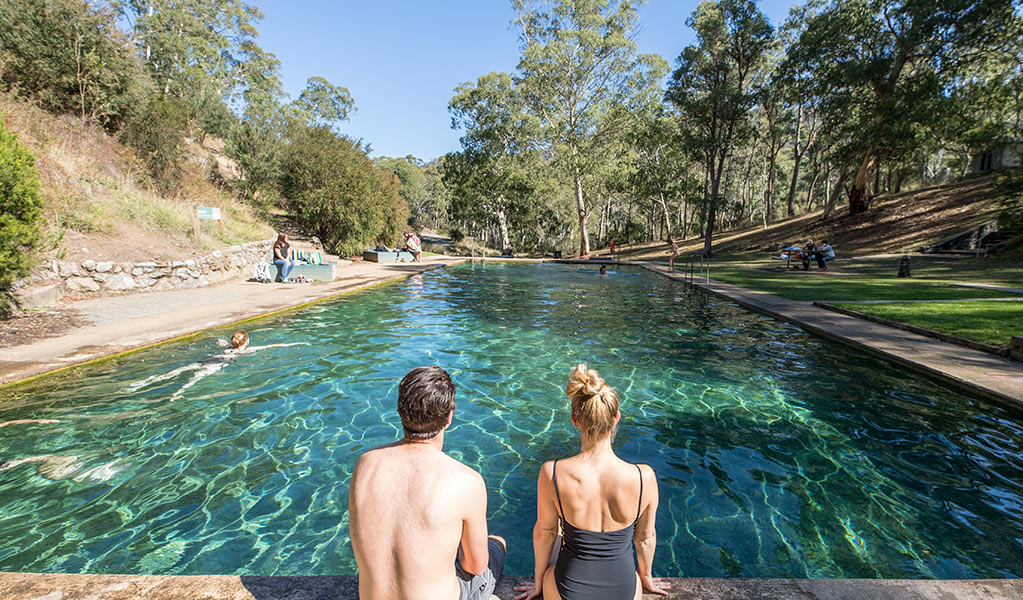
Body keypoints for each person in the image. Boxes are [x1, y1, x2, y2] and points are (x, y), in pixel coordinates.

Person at [514, 364, 670, 600]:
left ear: (575, 420)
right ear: (616, 418)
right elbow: (645, 537)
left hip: (567, 591)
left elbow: (544, 534)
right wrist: (646, 576)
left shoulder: (552, 473)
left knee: (555, 530)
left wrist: (538, 581)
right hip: (624, 592)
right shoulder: (643, 477)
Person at [349, 366, 505, 600]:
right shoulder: (466, 480)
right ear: (449, 418)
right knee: (497, 544)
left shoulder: (365, 465)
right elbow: (475, 566)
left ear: (401, 411)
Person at [127, 331, 307, 399]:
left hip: (208, 358)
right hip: (217, 363)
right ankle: (177, 393)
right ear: (246, 342)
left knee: (176, 371)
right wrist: (294, 344)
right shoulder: (243, 351)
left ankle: (141, 384)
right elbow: (273, 346)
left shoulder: (229, 346)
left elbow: (220, 342)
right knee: (194, 380)